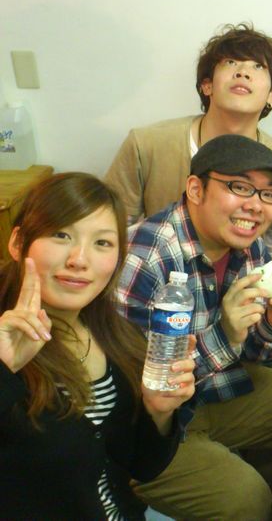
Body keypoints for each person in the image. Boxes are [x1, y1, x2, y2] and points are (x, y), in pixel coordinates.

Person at [117, 134, 272, 520]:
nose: (255, 206)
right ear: (196, 189)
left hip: (204, 395)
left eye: (269, 195)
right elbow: (135, 392)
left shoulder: (249, 246)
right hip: (146, 429)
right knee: (244, 497)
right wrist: (225, 334)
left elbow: (254, 351)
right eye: (240, 187)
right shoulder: (148, 257)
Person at [105, 22, 272, 379]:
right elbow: (112, 237)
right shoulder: (147, 146)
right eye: (231, 62)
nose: (243, 71)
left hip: (225, 316)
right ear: (206, 85)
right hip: (159, 313)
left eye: (258, 66)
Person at [1, 173, 195, 520]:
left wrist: (158, 412)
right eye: (61, 235)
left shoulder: (114, 333)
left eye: (102, 243)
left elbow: (140, 466)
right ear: (17, 243)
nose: (79, 259)